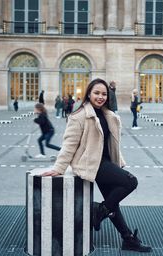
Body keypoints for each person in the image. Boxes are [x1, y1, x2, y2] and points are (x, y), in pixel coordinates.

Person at [42, 78, 152, 253]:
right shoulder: (78, 116)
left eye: (103, 94)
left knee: (112, 204)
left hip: (106, 163)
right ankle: (98, 212)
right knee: (131, 182)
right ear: (88, 94)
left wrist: (118, 164)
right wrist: (58, 168)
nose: (100, 97)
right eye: (96, 93)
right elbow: (69, 144)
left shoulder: (109, 115)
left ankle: (127, 238)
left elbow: (112, 144)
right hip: (90, 164)